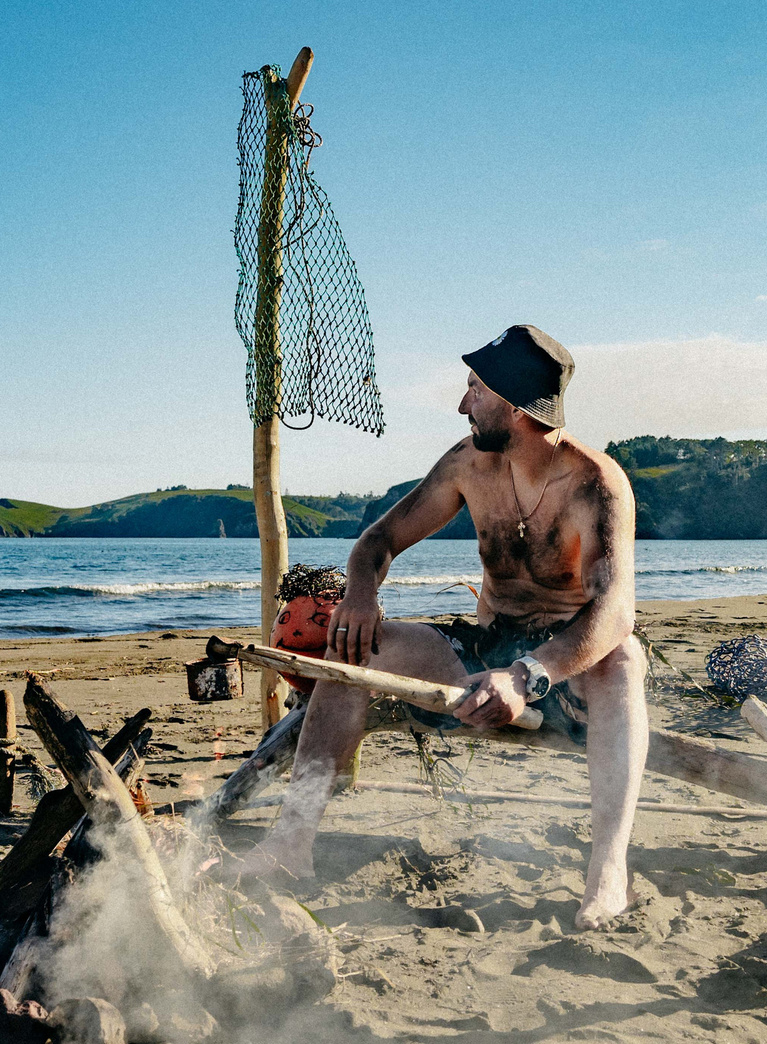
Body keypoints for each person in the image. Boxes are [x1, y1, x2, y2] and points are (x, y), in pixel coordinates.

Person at [238, 324, 650, 926]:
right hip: (482, 651)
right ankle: (289, 844)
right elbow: (378, 539)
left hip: (567, 673)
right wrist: (358, 593)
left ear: (515, 405)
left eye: (475, 391)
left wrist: (526, 676)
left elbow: (614, 612)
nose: (463, 405)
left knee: (625, 657)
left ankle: (608, 873)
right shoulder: (470, 463)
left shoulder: (596, 484)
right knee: (352, 650)